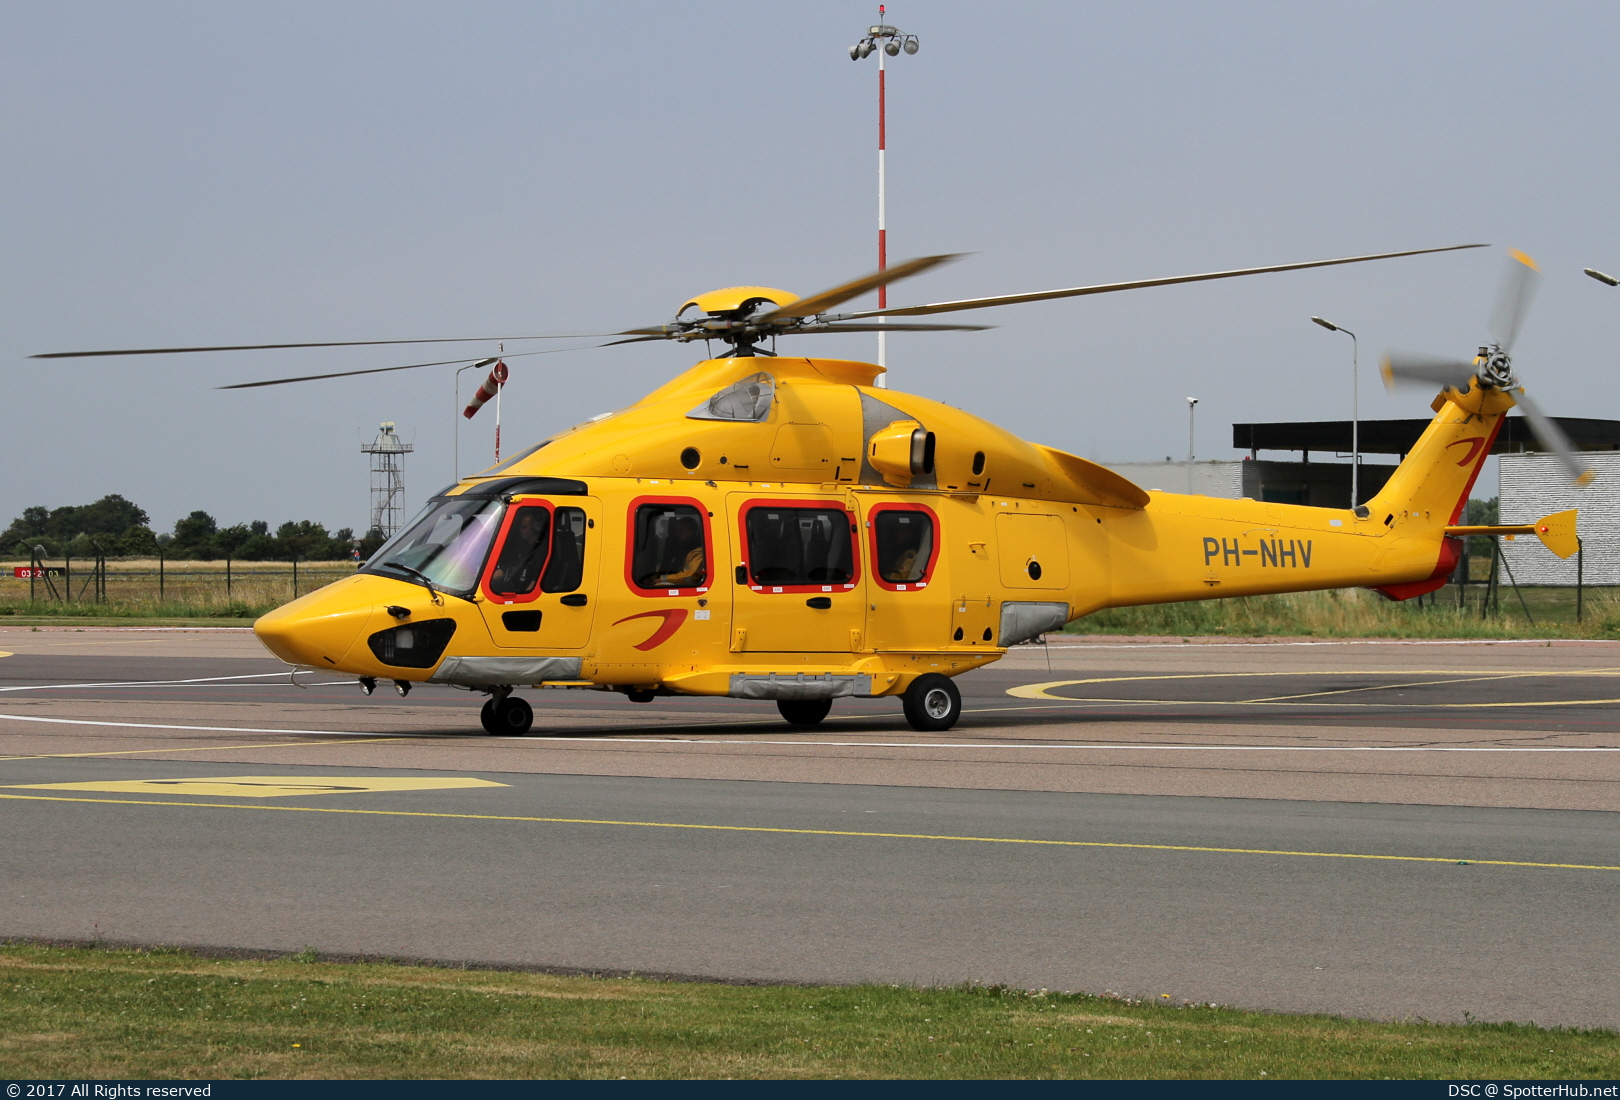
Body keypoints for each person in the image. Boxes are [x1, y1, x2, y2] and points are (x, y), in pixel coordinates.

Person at [491, 508, 548, 593]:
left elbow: (536, 581)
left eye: (524, 527)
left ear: (536, 528)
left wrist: (525, 598)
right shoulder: (522, 549)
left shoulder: (541, 552)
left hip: (522, 595)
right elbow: (505, 569)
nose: (520, 530)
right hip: (511, 589)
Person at [653, 516, 705, 587]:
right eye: (677, 531)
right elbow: (668, 570)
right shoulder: (681, 549)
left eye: (681, 531)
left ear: (690, 531)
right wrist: (652, 579)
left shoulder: (697, 552)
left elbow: (690, 576)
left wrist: (662, 579)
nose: (677, 534)